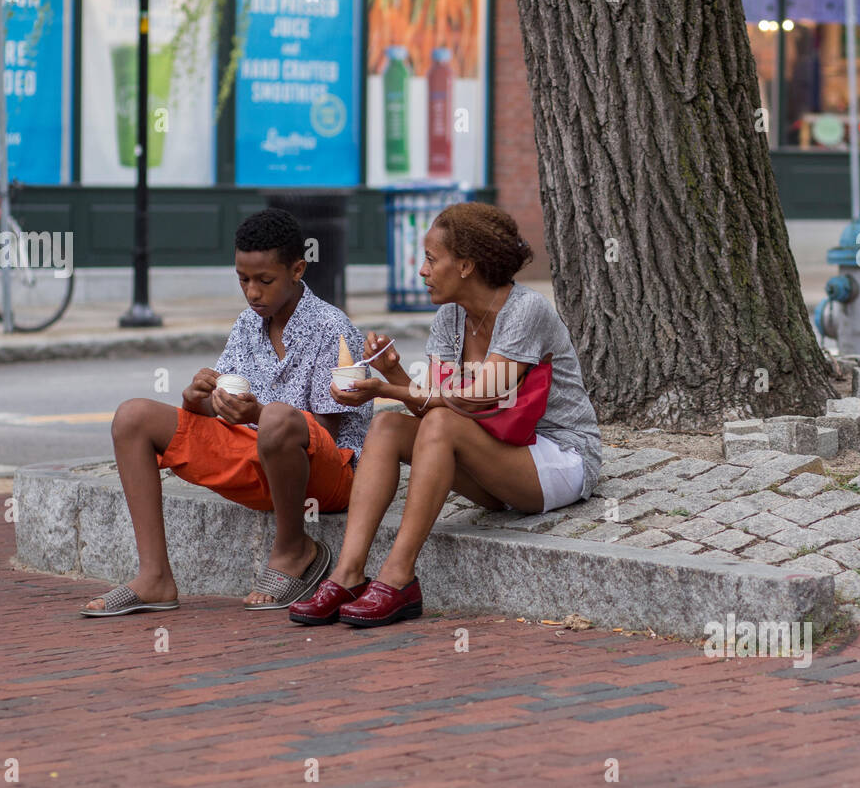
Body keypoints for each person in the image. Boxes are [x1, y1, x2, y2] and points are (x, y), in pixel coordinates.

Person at [289, 202, 602, 629]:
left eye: (432, 259)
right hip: (494, 458)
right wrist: (392, 371)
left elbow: (478, 399)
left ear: (467, 265)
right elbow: (435, 400)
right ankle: (348, 573)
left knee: (435, 423)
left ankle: (398, 578)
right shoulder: (449, 318)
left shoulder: (525, 310)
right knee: (388, 425)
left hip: (557, 456)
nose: (423, 270)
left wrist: (384, 389)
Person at [82, 208, 372, 616]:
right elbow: (223, 410)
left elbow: (324, 429)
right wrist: (198, 398)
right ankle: (155, 577)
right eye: (243, 280)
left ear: (297, 269)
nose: (252, 292)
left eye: (264, 280)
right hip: (258, 457)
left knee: (275, 419)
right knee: (133, 416)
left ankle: (294, 549)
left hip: (328, 475)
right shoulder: (247, 324)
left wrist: (259, 411)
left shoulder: (332, 326)